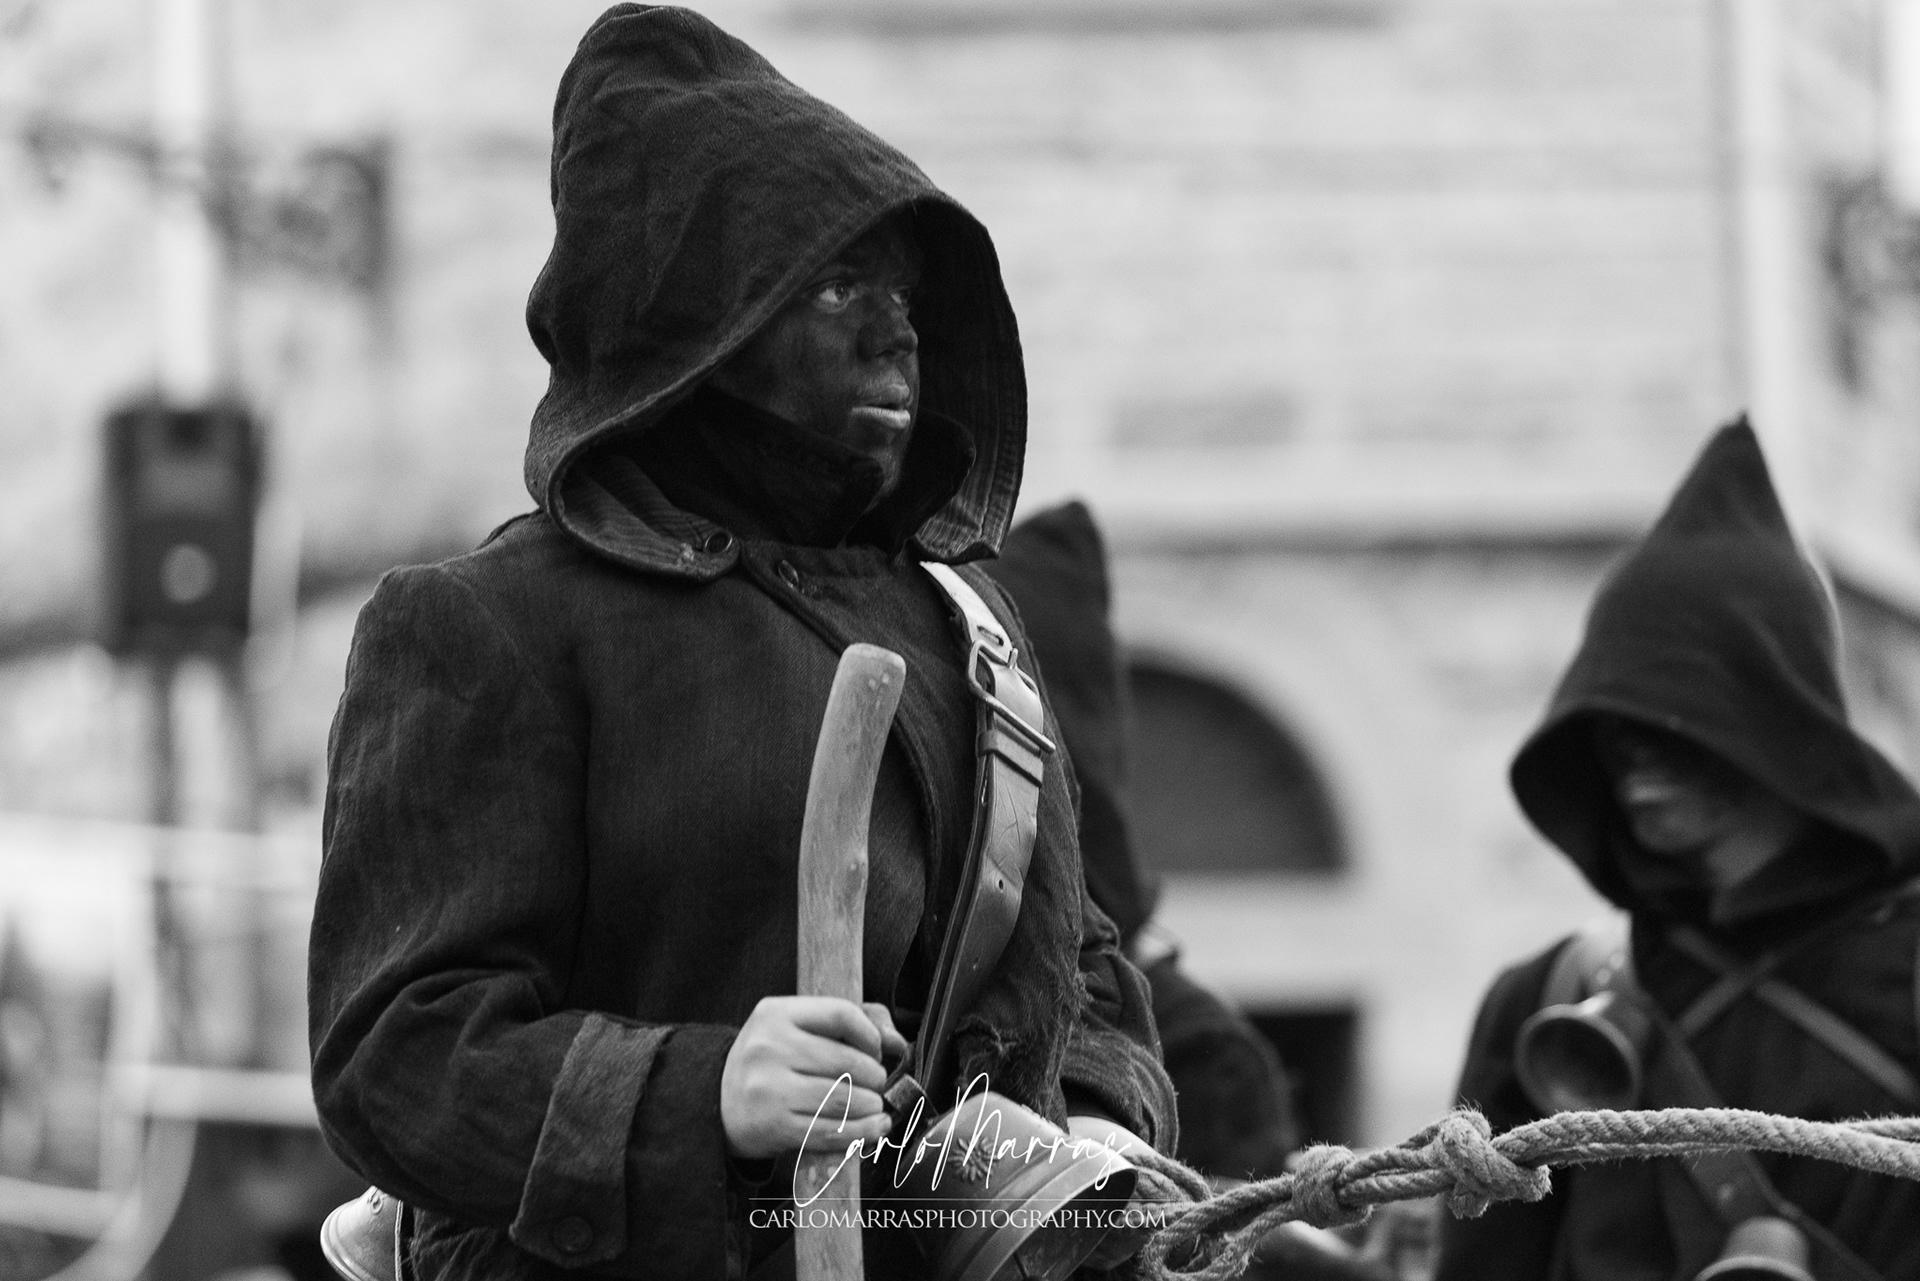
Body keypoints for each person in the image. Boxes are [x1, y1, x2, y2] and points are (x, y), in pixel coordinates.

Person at [306, 8, 1176, 1280]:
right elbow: (397, 1057)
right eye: (838, 288)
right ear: (699, 325)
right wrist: (703, 1091)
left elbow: (1080, 970)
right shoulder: (489, 624)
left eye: (904, 294)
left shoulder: (971, 627)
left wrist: (1089, 1129)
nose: (897, 334)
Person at [1435, 420, 1920, 1281]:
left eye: (1671, 707)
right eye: (1614, 720)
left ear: (1767, 712)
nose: (1630, 750)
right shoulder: (1550, 996)